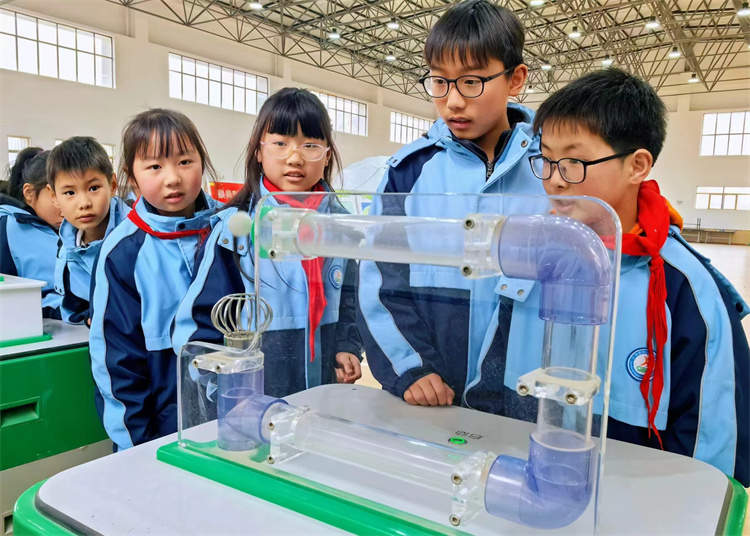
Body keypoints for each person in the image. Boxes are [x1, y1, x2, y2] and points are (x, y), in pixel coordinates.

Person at [480, 68, 748, 485]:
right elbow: (489, 382)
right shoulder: (530, 262)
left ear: (637, 165)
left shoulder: (687, 288)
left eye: (573, 161)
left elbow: (713, 447)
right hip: (525, 486)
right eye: (546, 159)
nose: (554, 180)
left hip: (634, 501)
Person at [357, 0, 546, 407]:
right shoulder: (407, 173)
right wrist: (411, 368)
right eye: (440, 82)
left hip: (528, 400)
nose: (453, 101)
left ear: (515, 79)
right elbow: (380, 282)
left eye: (471, 81)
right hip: (431, 400)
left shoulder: (554, 170)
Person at [173, 87, 362, 399]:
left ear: (327, 154)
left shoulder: (338, 229)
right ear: (258, 151)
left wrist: (347, 347)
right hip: (253, 403)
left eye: (310, 145)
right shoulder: (234, 231)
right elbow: (198, 326)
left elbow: (351, 303)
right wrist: (226, 390)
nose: (295, 157)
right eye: (280, 143)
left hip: (322, 400)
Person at [89, 109, 219, 450]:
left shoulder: (228, 230)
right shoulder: (123, 253)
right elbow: (117, 364)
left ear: (202, 163)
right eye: (155, 167)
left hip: (230, 424)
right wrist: (137, 451)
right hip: (158, 437)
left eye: (185, 162)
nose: (172, 178)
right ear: (131, 178)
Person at [47, 136, 130, 325]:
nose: (84, 203)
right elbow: (73, 305)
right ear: (54, 196)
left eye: (93, 188)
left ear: (112, 185)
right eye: (70, 193)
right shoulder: (66, 246)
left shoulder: (136, 235)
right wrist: (87, 317)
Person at [0, 148, 63, 318]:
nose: (66, 206)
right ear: (29, 193)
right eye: (56, 196)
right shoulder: (8, 227)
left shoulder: (65, 228)